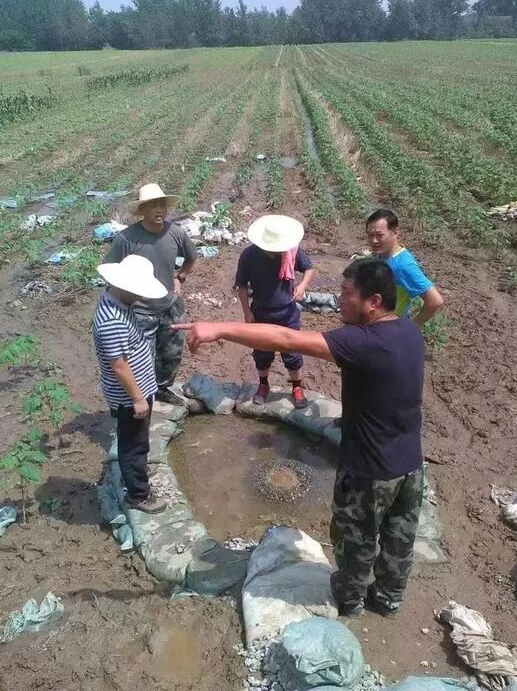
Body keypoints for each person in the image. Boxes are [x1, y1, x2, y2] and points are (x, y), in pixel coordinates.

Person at [173, 258, 425, 617]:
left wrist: (218, 328)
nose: (340, 300)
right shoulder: (409, 331)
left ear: (373, 302)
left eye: (347, 293)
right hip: (411, 464)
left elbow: (287, 338)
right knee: (399, 538)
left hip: (370, 469)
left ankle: (349, 600)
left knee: (356, 539)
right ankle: (388, 599)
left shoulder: (364, 342)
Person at [105, 183, 198, 405]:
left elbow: (191, 256)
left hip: (169, 304)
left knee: (172, 354)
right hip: (139, 310)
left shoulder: (175, 232)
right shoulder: (127, 239)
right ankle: (140, 398)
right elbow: (110, 269)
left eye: (162, 205)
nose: (160, 210)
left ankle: (163, 388)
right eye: (153, 206)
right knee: (140, 358)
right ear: (142, 210)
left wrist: (180, 277)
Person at [93, 255, 168, 514]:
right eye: (137, 291)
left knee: (138, 439)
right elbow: (119, 365)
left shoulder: (118, 302)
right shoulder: (112, 320)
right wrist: (137, 398)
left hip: (138, 389)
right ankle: (138, 495)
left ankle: (138, 473)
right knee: (132, 445)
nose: (140, 296)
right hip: (128, 396)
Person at [235, 214, 315, 409]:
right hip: (261, 313)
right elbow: (241, 285)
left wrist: (302, 286)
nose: (275, 252)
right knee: (262, 353)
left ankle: (297, 387)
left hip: (287, 313)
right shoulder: (249, 255)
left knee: (292, 353)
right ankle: (263, 385)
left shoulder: (291, 251)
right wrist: (247, 312)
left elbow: (309, 268)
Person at [366, 209, 443, 325]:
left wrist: (411, 328)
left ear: (395, 233)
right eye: (370, 235)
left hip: (388, 327)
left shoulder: (403, 265)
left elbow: (435, 301)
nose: (374, 241)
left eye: (379, 235)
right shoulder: (382, 254)